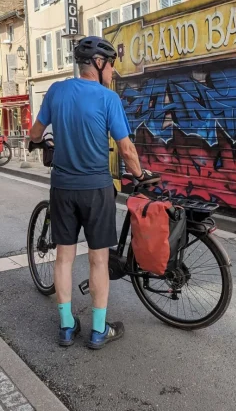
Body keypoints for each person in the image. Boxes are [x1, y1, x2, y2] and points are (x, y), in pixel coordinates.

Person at [29, 36, 155, 350]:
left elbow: (34, 133)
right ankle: (99, 331)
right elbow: (126, 148)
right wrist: (140, 174)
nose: (112, 72)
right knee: (98, 261)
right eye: (111, 65)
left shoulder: (56, 91)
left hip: (62, 188)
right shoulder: (107, 98)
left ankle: (67, 326)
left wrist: (42, 142)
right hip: (97, 190)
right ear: (98, 64)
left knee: (64, 258)